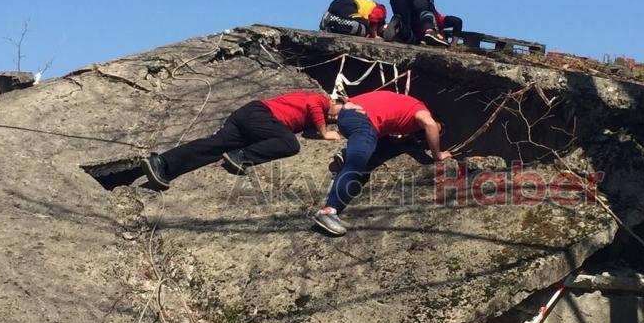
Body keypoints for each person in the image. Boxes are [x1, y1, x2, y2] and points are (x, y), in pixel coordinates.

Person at [313, 90, 451, 236]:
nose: (429, 135)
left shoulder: (407, 106)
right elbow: (430, 124)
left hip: (351, 115)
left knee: (389, 144)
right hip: (364, 121)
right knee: (356, 164)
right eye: (436, 131)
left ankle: (347, 156)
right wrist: (438, 155)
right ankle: (328, 210)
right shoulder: (421, 111)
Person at [141, 91, 344, 190]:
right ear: (334, 101)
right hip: (261, 114)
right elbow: (313, 107)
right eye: (339, 112)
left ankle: (162, 164)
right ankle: (241, 156)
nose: (335, 117)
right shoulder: (320, 99)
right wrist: (325, 133)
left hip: (249, 116)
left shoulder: (318, 111)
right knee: (289, 143)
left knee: (213, 146)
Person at [383, 0, 462, 47]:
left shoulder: (416, 36)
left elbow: (457, 21)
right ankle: (429, 31)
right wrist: (453, 45)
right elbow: (458, 21)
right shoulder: (438, 23)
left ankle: (398, 26)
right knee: (425, 11)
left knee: (406, 30)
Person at [320, 0, 387, 38]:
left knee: (361, 31)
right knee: (362, 28)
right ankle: (331, 19)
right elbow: (374, 19)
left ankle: (331, 28)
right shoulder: (382, 10)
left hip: (342, 6)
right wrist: (375, 35)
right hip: (347, 4)